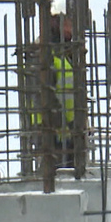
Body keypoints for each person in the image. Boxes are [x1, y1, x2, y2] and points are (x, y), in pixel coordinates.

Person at [28, 13, 77, 169]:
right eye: (69, 23)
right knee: (53, 175)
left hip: (67, 130)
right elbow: (43, 94)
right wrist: (59, 122)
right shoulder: (43, 54)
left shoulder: (64, 54)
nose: (72, 28)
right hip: (49, 128)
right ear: (57, 25)